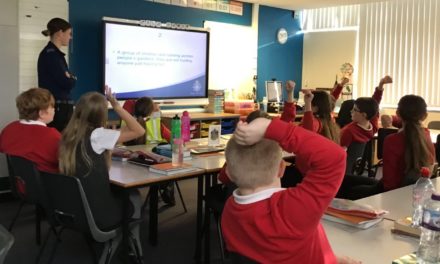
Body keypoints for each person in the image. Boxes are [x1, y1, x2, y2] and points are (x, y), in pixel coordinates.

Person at [221, 117, 360, 263]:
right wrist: (269, 126)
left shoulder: (230, 209)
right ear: (282, 168)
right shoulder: (292, 209)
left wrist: (332, 259)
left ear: (229, 173)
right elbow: (334, 157)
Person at [58, 87, 145, 250]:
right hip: (99, 214)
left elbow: (104, 167)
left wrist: (109, 150)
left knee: (119, 192)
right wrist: (117, 106)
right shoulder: (98, 135)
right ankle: (134, 245)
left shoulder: (68, 134)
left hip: (75, 209)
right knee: (133, 195)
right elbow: (138, 130)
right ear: (100, 114)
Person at [0, 88, 61, 173]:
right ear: (42, 113)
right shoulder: (52, 135)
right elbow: (64, 161)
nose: (54, 110)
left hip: (17, 183)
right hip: (47, 184)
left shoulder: (9, 129)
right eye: (52, 107)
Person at [382, 95, 435, 191]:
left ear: (398, 113)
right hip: (416, 192)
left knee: (350, 183)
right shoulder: (426, 135)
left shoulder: (391, 140)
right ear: (425, 116)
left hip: (391, 194)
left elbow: (388, 183)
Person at [38, 17, 76, 132]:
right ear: (60, 33)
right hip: (57, 108)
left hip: (60, 107)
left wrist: (71, 78)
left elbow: (68, 79)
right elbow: (67, 83)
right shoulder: (51, 55)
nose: (70, 37)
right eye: (69, 34)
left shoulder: (55, 54)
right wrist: (72, 78)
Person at [339, 76, 392, 148]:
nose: (351, 111)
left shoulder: (348, 131)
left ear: (364, 115)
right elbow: (375, 103)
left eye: (354, 109)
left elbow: (339, 152)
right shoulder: (373, 127)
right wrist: (381, 85)